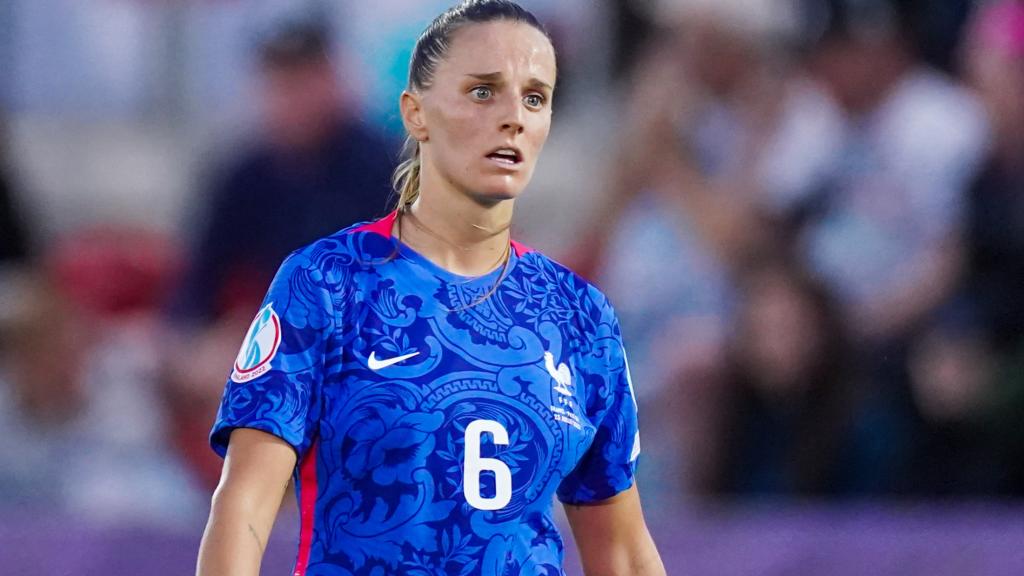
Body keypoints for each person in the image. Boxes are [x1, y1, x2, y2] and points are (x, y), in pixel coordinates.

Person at [196, 2, 665, 575]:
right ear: (416, 113)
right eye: (483, 91)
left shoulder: (580, 316)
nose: (514, 116)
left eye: (535, 97)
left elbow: (620, 545)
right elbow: (244, 504)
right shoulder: (327, 283)